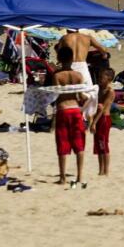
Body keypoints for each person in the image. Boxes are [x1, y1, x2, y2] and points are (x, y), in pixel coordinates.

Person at [51, 45, 88, 187]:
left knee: (62, 144)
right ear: (72, 59)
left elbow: (56, 95)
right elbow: (80, 96)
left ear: (59, 59)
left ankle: (62, 177)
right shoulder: (78, 76)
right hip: (75, 110)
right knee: (79, 144)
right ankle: (79, 176)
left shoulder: (57, 76)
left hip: (63, 109)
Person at [91, 67, 115, 176]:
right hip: (98, 117)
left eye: (102, 77)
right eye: (99, 77)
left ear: (109, 79)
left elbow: (104, 108)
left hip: (104, 119)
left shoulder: (110, 91)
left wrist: (94, 123)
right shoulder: (99, 88)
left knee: (103, 144)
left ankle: (106, 170)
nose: (100, 79)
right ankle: (100, 169)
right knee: (98, 145)